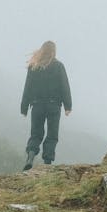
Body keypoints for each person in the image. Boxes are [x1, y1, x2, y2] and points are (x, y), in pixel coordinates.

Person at [20, 40, 72, 170]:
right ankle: (47, 162)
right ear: (53, 51)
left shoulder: (34, 66)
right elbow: (64, 86)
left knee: (36, 133)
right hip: (53, 106)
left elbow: (28, 87)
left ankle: (30, 156)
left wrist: (24, 107)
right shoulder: (58, 66)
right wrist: (68, 106)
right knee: (52, 134)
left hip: (37, 105)